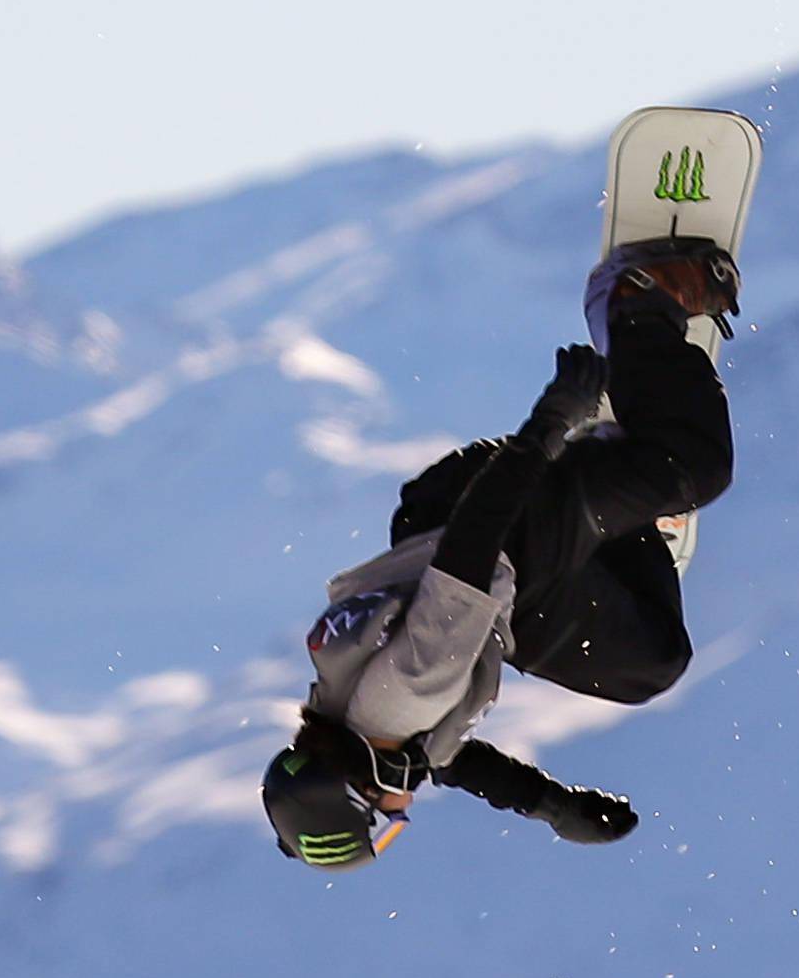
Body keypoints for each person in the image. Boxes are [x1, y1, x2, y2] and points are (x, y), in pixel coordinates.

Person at [261, 238, 739, 869]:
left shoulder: (410, 686)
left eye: (384, 816)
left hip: (496, 523)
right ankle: (621, 506)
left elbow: (472, 547)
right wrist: (554, 807)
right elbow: (450, 758)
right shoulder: (361, 722)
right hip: (493, 578)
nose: (402, 810)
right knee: (650, 663)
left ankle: (635, 299)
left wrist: (549, 425)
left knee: (693, 464)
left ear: (361, 787)